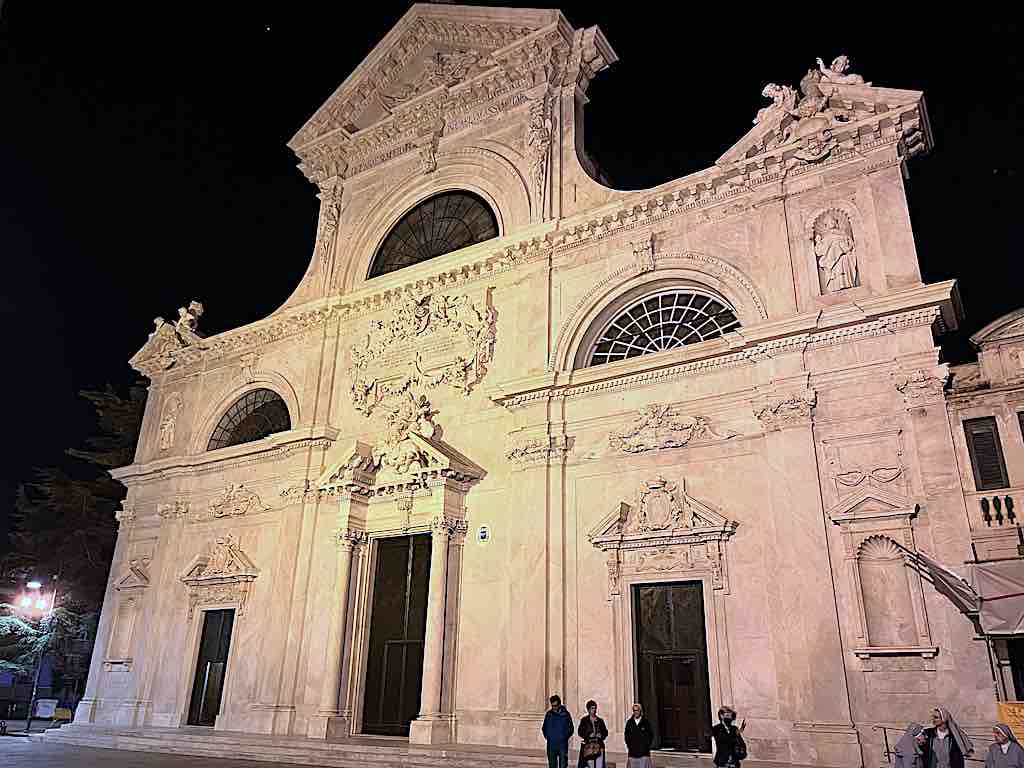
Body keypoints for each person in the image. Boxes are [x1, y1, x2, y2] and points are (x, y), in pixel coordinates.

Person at [543, 695, 574, 768]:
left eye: (556, 705)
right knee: (552, 765)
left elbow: (571, 728)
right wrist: (548, 736)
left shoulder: (565, 714)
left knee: (563, 765)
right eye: (553, 706)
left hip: (562, 745)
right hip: (551, 745)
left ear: (559, 704)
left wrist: (564, 737)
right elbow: (544, 727)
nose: (554, 708)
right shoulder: (549, 714)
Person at [578, 700, 609, 768]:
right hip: (589, 746)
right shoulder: (584, 720)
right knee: (590, 765)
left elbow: (605, 732)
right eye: (592, 708)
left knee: (599, 766)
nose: (594, 710)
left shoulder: (600, 720)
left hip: (599, 745)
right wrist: (588, 735)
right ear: (588, 710)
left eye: (595, 708)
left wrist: (601, 735)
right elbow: (580, 732)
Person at [625, 703, 655, 768]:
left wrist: (645, 747)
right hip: (632, 753)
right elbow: (626, 737)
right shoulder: (629, 723)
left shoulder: (646, 722)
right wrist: (630, 746)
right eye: (634, 710)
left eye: (637, 710)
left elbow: (650, 736)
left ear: (640, 711)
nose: (636, 712)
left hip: (644, 754)